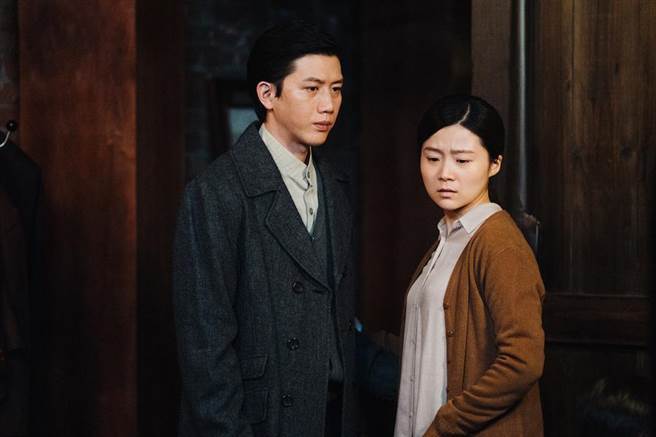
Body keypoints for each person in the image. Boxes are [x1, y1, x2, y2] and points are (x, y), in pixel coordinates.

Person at [173, 21, 357, 437]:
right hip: (259, 422)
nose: (328, 105)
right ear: (267, 94)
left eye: (336, 89)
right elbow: (206, 352)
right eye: (311, 89)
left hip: (333, 416)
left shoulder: (335, 185)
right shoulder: (215, 192)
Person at [394, 95, 545, 436]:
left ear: (495, 164)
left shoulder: (499, 244)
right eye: (432, 158)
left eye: (462, 160)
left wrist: (448, 422)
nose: (445, 174)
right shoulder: (445, 239)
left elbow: (522, 361)